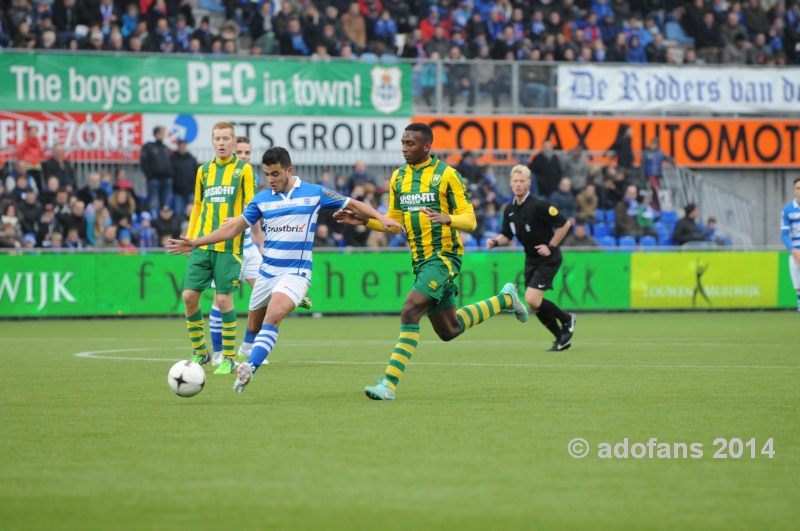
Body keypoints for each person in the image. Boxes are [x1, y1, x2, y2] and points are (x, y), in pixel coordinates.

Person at [168, 146, 401, 393]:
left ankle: (250, 367)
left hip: (296, 273)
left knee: (274, 315)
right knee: (255, 326)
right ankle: (285, 310)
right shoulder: (262, 200)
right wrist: (196, 241)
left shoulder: (313, 193)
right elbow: (233, 227)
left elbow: (352, 203)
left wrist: (382, 217)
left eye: (276, 174)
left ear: (289, 170)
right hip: (267, 274)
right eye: (267, 174)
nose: (271, 179)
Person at [334, 123, 529, 401]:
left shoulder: (447, 175)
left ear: (426, 146)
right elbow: (395, 222)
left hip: (444, 257)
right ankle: (505, 299)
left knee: (410, 310)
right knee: (449, 330)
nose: (404, 148)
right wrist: (366, 220)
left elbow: (471, 220)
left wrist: (447, 218)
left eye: (410, 144)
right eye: (403, 143)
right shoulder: (398, 177)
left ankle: (388, 385)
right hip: (420, 260)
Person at [166, 122, 256, 376]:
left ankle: (228, 357)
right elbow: (197, 205)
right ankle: (200, 351)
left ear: (233, 141)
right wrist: (190, 238)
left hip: (229, 246)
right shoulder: (203, 171)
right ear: (213, 141)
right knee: (188, 296)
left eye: (226, 138)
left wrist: (239, 222)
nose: (222, 142)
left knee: (224, 299)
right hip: (202, 245)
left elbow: (251, 205)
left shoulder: (244, 171)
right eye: (217, 138)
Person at [485, 165, 576, 352]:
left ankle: (567, 319)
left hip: (548, 258)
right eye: (515, 181)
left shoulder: (539, 205)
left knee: (533, 299)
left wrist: (550, 246)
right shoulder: (509, 209)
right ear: (510, 183)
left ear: (528, 183)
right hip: (531, 259)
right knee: (535, 306)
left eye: (522, 181)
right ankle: (561, 339)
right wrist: (495, 241)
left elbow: (564, 224)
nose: (518, 184)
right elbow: (506, 235)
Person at [140, 126, 174, 213]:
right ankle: (154, 220)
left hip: (166, 179)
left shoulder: (164, 147)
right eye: (162, 133)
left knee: (165, 204)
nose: (163, 136)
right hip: (154, 180)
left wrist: (170, 174)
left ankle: (163, 222)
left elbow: (169, 163)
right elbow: (144, 163)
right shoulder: (148, 146)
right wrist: (150, 176)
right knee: (153, 202)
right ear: (157, 134)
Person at [780, 178, 800, 313]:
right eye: (798, 188)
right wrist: (793, 249)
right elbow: (784, 235)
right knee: (793, 262)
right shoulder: (788, 210)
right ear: (794, 191)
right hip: (797, 250)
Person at [171, 140, 199, 216]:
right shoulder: (173, 158)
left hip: (190, 189)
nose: (182, 148)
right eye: (181, 146)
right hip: (178, 190)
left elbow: (197, 172)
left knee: (193, 212)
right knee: (178, 212)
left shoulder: (191, 158)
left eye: (184, 146)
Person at [16, 125, 44, 190]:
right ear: (28, 132)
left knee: (39, 183)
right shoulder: (24, 142)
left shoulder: (38, 142)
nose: (34, 134)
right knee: (27, 182)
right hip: (27, 166)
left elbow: (40, 153)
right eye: (32, 132)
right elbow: (20, 153)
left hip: (36, 166)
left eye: (35, 132)